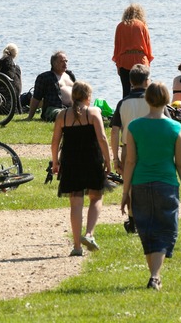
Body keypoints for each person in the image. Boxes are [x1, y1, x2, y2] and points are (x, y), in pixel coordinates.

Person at [120, 81, 181, 291]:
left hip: (140, 183)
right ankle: (155, 275)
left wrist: (126, 192)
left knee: (147, 229)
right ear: (167, 100)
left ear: (147, 99)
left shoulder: (134, 126)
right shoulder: (175, 127)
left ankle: (154, 275)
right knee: (165, 229)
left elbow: (130, 161)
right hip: (166, 184)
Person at [52, 81, 111, 256]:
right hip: (91, 159)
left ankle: (77, 246)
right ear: (88, 97)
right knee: (96, 196)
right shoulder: (93, 113)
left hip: (71, 161)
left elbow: (55, 142)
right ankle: (89, 234)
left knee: (75, 202)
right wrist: (108, 161)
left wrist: (55, 162)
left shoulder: (62, 116)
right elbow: (102, 138)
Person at [110, 64, 151, 174]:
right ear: (147, 81)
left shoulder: (122, 103)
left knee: (129, 188)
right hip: (150, 148)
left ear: (131, 82)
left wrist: (115, 159)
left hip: (128, 149)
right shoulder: (155, 101)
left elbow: (114, 132)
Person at [112, 4, 154, 98]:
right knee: (144, 91)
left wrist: (118, 65)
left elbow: (117, 47)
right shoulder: (142, 25)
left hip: (124, 60)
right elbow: (148, 46)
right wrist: (148, 63)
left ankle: (125, 111)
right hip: (140, 60)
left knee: (126, 92)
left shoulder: (120, 26)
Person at [24, 51, 75, 122]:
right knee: (63, 115)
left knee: (89, 113)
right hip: (54, 108)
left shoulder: (70, 75)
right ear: (54, 63)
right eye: (62, 61)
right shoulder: (45, 77)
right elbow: (36, 98)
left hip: (72, 108)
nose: (65, 63)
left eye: (66, 61)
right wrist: (30, 116)